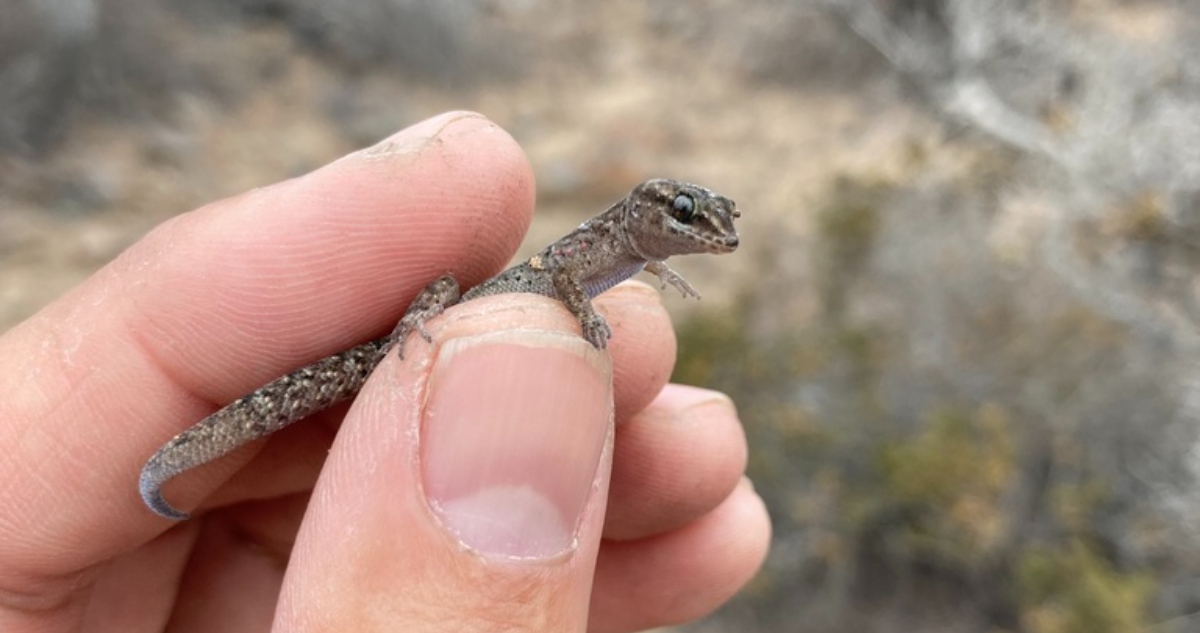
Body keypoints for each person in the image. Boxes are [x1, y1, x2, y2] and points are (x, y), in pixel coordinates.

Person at [0, 112, 769, 631]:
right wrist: (574, 315)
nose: (704, 234)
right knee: (393, 333)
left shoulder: (632, 247)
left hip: (477, 330)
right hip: (459, 323)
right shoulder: (606, 243)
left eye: (704, 223)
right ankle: (180, 462)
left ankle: (176, 469)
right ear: (646, 210)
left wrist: (653, 268)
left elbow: (605, 269)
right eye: (687, 221)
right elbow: (568, 277)